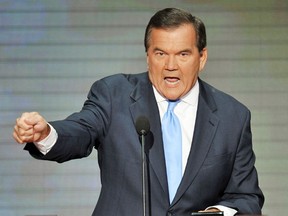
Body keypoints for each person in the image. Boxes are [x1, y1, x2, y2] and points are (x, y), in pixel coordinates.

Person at [13, 8, 264, 216]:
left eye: (183, 54)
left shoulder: (233, 116)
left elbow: (247, 197)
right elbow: (81, 130)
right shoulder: (114, 94)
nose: (170, 66)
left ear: (202, 58)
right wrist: (46, 133)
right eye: (160, 53)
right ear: (147, 57)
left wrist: (218, 212)